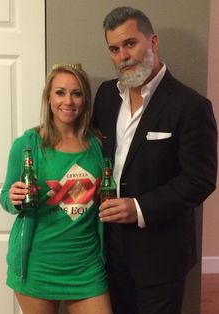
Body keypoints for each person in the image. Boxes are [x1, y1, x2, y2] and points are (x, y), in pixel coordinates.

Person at [92, 6, 218, 314]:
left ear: (153, 42)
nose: (123, 55)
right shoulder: (106, 95)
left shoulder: (191, 106)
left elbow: (199, 180)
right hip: (109, 248)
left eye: (130, 43)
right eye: (114, 48)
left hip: (161, 254)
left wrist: (138, 208)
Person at [0, 64, 113, 314]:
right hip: (38, 265)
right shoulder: (27, 144)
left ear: (85, 100)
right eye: (60, 92)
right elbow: (5, 197)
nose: (68, 101)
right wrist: (13, 198)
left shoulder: (97, 145)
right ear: (49, 98)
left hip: (87, 265)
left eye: (77, 93)